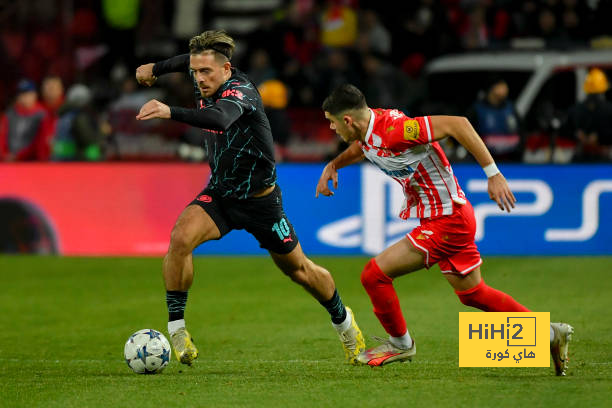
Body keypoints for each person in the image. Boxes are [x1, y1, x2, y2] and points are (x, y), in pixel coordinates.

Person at [134, 30, 365, 366]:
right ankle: (178, 329)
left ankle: (345, 325)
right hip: (221, 194)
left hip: (262, 202)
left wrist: (170, 110)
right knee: (180, 238)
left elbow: (219, 118)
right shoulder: (205, 70)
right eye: (195, 72)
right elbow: (188, 61)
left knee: (300, 270)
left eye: (206, 73)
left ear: (227, 69)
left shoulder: (240, 92)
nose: (199, 79)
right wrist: (156, 67)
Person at [316, 84, 573, 376]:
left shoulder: (397, 130)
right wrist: (334, 164)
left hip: (448, 220)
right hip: (445, 218)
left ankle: (401, 344)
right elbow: (363, 148)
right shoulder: (369, 132)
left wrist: (494, 174)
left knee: (374, 275)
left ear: (347, 120)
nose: (332, 128)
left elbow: (457, 124)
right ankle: (551, 335)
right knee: (472, 293)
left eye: (332, 123)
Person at [468, 77, 522, 162]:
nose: (505, 90)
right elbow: (469, 133)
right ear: (492, 88)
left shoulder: (510, 107)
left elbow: (521, 130)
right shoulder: (478, 109)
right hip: (485, 159)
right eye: (501, 87)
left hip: (511, 159)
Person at [563, 68, 612, 162]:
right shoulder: (609, 109)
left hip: (588, 156)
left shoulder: (575, 109)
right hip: (598, 158)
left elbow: (565, 130)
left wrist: (578, 135)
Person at [0, 79, 53, 161]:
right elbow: (2, 136)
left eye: (28, 94)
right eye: (22, 94)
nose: (25, 97)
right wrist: (3, 155)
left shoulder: (42, 115)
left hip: (31, 161)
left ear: (35, 95)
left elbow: (40, 141)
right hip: (8, 161)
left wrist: (19, 156)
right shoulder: (9, 114)